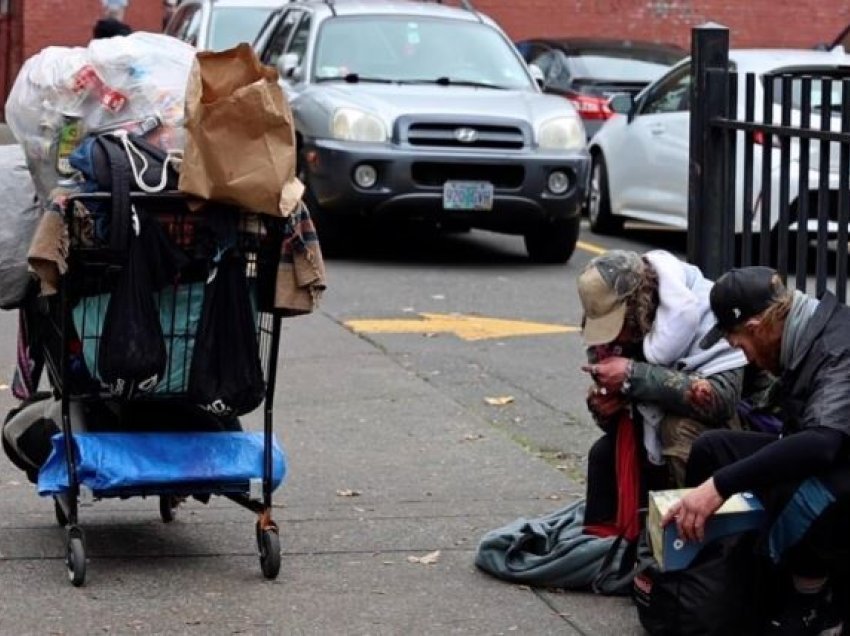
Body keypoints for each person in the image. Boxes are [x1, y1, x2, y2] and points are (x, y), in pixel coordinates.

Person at [663, 266, 849, 635]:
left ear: (757, 326)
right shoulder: (800, 337)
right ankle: (716, 582)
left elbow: (823, 442)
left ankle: (812, 603)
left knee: (795, 487)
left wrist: (720, 486)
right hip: (832, 459)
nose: (740, 354)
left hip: (839, 472)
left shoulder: (836, 348)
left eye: (736, 342)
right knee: (713, 447)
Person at [577, 250, 747, 537]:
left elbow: (722, 400)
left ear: (639, 306)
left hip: (728, 435)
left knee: (677, 431)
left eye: (617, 323)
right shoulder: (622, 332)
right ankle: (609, 543)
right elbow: (618, 417)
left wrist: (633, 376)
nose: (614, 337)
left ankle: (693, 542)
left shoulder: (711, 313)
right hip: (649, 433)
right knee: (604, 453)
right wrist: (603, 405)